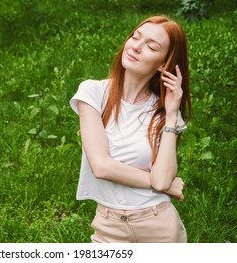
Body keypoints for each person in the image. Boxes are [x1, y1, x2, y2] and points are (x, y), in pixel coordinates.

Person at [70, 15, 191, 243]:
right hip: (108, 226)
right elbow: (101, 166)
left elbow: (163, 178)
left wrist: (172, 115)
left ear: (163, 64)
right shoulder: (93, 93)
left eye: (151, 47)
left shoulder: (164, 112)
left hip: (159, 225)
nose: (136, 47)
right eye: (136, 37)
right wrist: (161, 184)